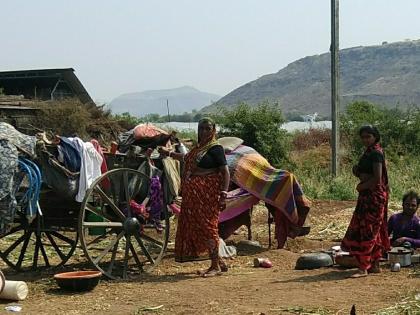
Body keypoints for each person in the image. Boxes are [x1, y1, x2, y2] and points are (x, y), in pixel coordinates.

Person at [159, 118, 230, 277]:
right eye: (201, 128)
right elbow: (185, 158)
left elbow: (225, 172)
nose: (204, 131)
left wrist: (223, 195)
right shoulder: (198, 149)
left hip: (207, 197)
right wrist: (168, 153)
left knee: (207, 227)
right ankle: (219, 262)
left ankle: (215, 267)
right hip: (192, 198)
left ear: (213, 130)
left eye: (207, 128)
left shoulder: (216, 148)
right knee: (197, 226)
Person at [341, 125, 390, 278]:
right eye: (363, 137)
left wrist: (361, 187)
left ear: (375, 136)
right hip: (367, 196)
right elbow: (366, 173)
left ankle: (363, 267)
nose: (365, 140)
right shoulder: (369, 153)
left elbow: (377, 178)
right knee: (371, 229)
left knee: (369, 231)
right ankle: (374, 265)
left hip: (373, 197)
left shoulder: (376, 154)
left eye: (368, 136)